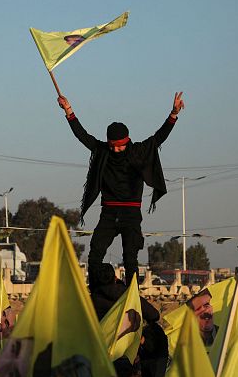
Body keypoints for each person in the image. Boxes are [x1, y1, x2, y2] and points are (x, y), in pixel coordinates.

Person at [57, 92, 184, 284]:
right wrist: (68, 111)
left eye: (120, 146)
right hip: (108, 213)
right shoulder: (102, 151)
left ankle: (131, 297)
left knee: (130, 259)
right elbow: (82, 136)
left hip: (131, 214)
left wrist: (173, 114)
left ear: (127, 141)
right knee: (95, 254)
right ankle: (96, 292)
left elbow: (158, 138)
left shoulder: (138, 151)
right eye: (113, 146)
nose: (116, 150)